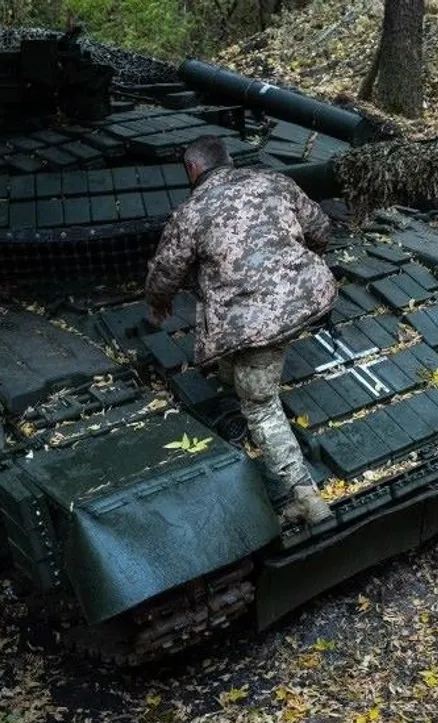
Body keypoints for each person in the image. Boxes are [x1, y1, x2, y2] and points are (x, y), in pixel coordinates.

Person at [145, 135, 335, 526]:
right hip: (309, 296)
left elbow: (165, 273)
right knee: (252, 357)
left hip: (251, 323)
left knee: (261, 406)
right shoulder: (274, 181)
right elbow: (321, 229)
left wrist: (159, 302)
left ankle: (304, 497)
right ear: (228, 160)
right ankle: (235, 372)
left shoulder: (191, 212)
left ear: (193, 169)